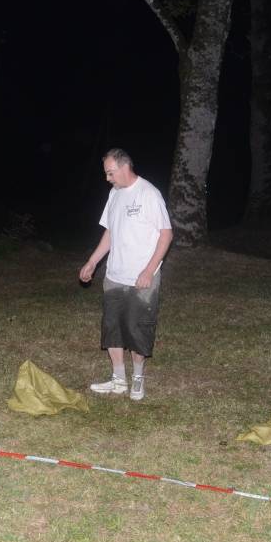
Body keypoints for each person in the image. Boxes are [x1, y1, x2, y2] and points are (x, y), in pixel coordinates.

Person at [79, 148, 172, 401]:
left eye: (110, 173)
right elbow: (110, 232)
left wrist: (149, 270)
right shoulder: (114, 194)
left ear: (124, 167)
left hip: (141, 277)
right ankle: (118, 379)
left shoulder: (149, 194)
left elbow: (166, 234)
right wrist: (92, 262)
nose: (107, 178)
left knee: (137, 328)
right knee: (113, 328)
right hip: (114, 275)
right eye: (106, 173)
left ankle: (138, 378)